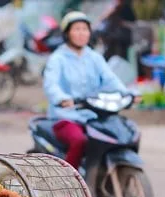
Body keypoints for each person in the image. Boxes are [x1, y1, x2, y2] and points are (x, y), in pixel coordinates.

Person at [43, 11, 137, 170]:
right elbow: (51, 85)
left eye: (85, 29)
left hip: (93, 114)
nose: (81, 34)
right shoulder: (57, 59)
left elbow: (110, 78)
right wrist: (61, 98)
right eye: (77, 29)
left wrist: (127, 93)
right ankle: (70, 185)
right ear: (67, 33)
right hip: (66, 116)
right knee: (79, 140)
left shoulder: (95, 57)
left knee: (121, 132)